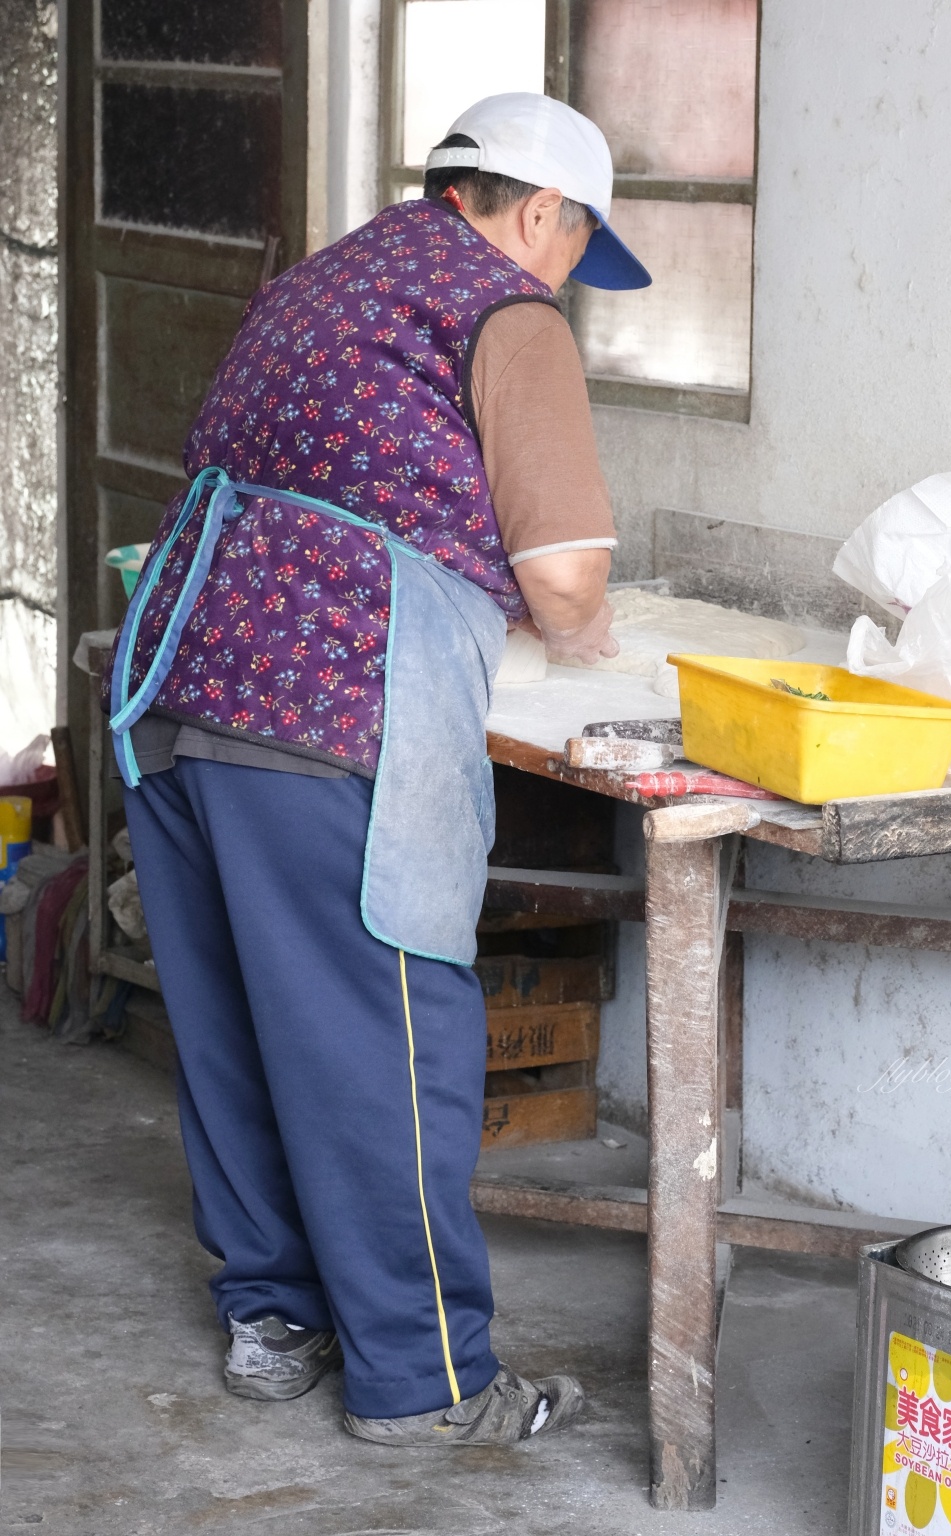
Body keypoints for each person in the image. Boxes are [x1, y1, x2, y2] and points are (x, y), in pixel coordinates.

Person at [103, 92, 650, 1447]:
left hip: (179, 692)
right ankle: (426, 1383)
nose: (573, 271)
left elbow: (347, 487)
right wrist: (591, 643)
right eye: (580, 242)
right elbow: (566, 575)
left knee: (238, 1026)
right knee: (387, 1045)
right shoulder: (504, 312)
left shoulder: (325, 283)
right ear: (537, 215)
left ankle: (272, 1315)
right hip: (325, 710)